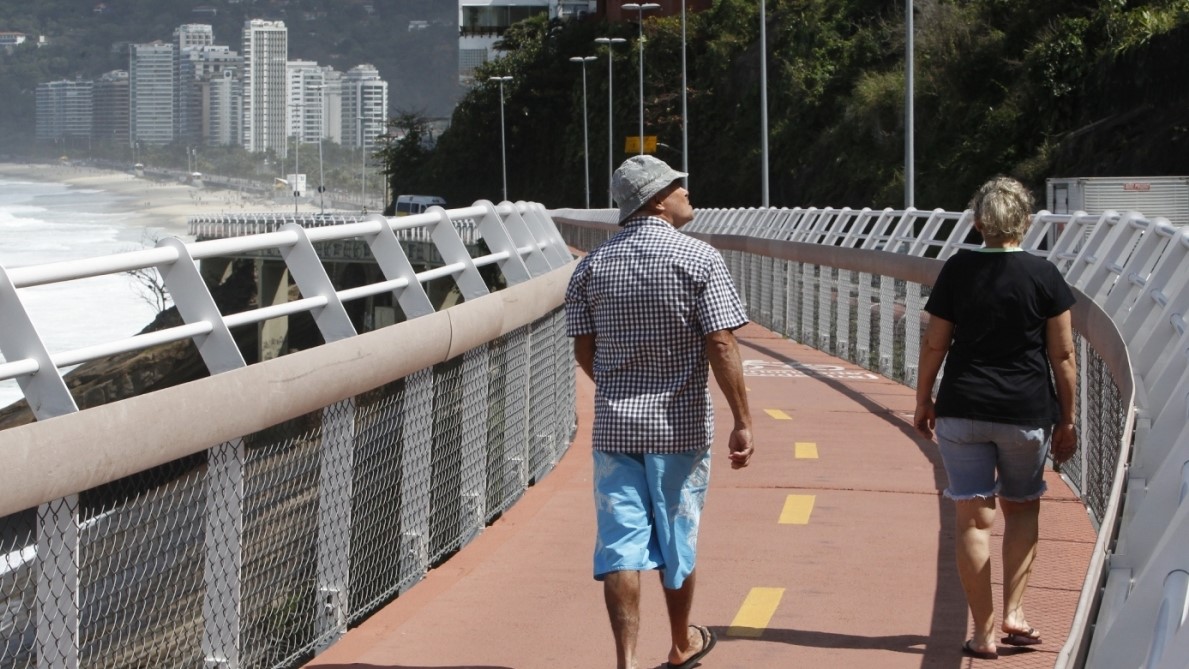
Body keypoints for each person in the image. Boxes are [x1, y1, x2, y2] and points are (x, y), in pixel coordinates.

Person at [564, 155, 754, 669]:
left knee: (621, 545)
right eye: (678, 186)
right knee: (677, 535)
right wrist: (742, 418)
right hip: (680, 427)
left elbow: (585, 346)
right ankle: (679, 644)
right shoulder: (699, 259)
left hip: (615, 428)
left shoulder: (592, 266)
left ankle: (624, 661)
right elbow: (721, 343)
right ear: (656, 199)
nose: (687, 192)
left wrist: (616, 386)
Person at [913, 176, 1078, 660]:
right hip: (1024, 411)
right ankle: (1015, 613)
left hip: (962, 409)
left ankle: (982, 634)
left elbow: (935, 343)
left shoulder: (957, 269)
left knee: (972, 518)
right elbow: (1063, 355)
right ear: (1025, 221)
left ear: (977, 222)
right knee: (1022, 507)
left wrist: (924, 399)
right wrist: (1067, 418)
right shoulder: (1044, 275)